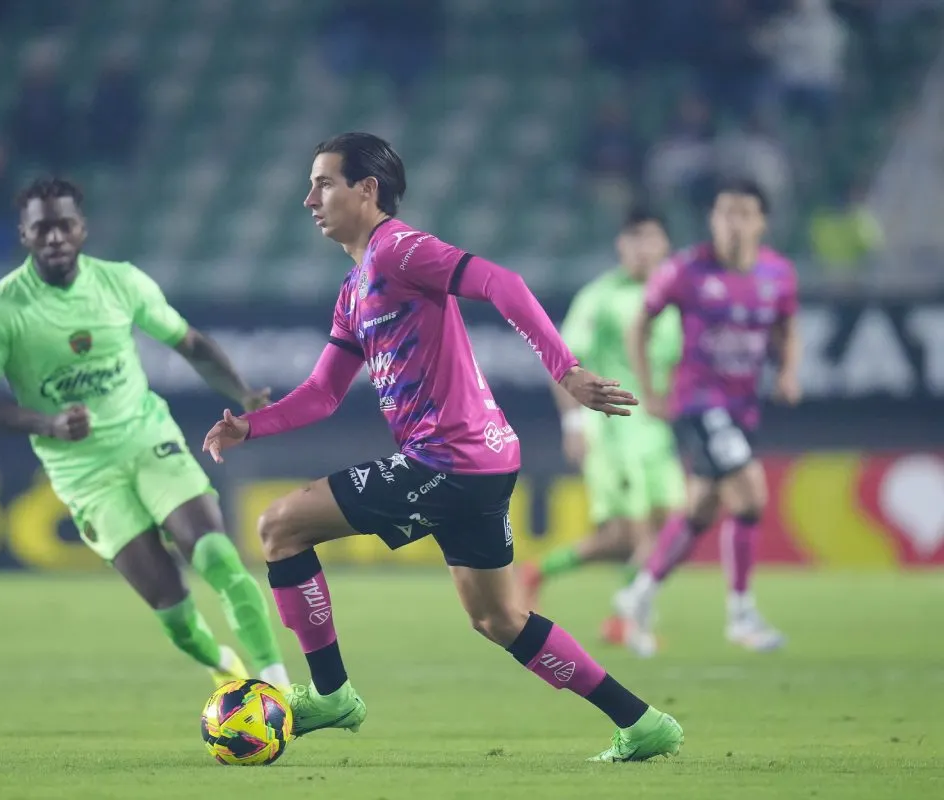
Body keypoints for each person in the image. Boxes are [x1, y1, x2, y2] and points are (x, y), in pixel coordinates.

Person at [201, 133, 684, 762]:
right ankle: (642, 723)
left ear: (367, 189)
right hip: (480, 460)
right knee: (498, 619)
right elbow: (322, 393)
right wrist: (250, 427)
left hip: (447, 458)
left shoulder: (399, 249)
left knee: (279, 527)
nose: (308, 199)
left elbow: (500, 282)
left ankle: (332, 694)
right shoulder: (355, 290)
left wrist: (565, 369)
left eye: (323, 183)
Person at [0, 178, 291, 692]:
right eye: (40, 227)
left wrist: (244, 394)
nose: (54, 237)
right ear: (23, 236)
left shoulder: (121, 283)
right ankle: (224, 666)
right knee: (172, 606)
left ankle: (280, 685)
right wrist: (48, 424)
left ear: (82, 229)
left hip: (147, 439)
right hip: (84, 473)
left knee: (217, 557)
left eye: (63, 224)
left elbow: (192, 344)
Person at [615, 179, 801, 657]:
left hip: (743, 407)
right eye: (723, 213)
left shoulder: (778, 273)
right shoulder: (686, 270)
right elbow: (641, 322)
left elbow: (787, 325)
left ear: (761, 222)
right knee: (750, 494)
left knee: (699, 510)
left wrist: (788, 372)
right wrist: (650, 390)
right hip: (698, 404)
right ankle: (741, 615)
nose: (732, 223)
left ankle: (638, 595)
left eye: (743, 213)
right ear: (711, 220)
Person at [519, 208, 685, 646]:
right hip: (612, 430)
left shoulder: (675, 298)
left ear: (665, 245)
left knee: (665, 529)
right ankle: (624, 618)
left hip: (656, 432)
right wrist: (574, 422)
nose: (641, 248)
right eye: (633, 239)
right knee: (635, 535)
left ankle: (540, 571)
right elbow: (563, 361)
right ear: (620, 246)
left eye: (650, 238)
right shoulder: (601, 297)